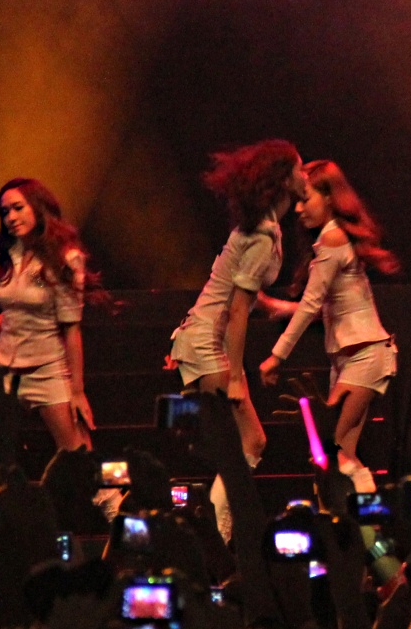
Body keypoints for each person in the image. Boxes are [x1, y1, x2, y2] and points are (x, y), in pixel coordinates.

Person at [168, 139, 305, 537]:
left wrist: (285, 309)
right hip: (207, 341)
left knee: (242, 446)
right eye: (300, 169)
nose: (306, 176)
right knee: (249, 444)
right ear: (284, 180)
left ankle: (219, 533)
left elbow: (242, 294)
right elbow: (237, 310)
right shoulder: (262, 235)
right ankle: (218, 535)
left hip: (202, 336)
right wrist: (234, 379)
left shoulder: (263, 229)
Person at [256, 159, 398, 494]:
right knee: (340, 456)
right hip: (351, 359)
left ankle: (363, 517)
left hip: (365, 357)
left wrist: (276, 356)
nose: (298, 209)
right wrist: (277, 307)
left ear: (329, 197)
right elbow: (324, 306)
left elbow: (311, 304)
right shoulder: (333, 240)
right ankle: (366, 514)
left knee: (332, 452)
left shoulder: (333, 239)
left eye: (305, 199)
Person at [0, 178, 98, 453]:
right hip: (5, 369)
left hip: (46, 370)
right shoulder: (14, 253)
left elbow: (71, 328)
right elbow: (15, 310)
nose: (10, 217)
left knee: (76, 453)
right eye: (5, 212)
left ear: (38, 208)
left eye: (18, 208)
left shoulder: (65, 258)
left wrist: (77, 391)